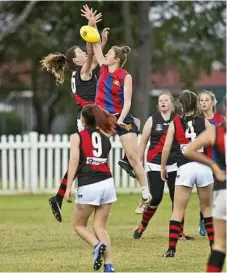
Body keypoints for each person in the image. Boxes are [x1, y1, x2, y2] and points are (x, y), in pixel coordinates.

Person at [91, 39, 151, 211]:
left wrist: (120, 119)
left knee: (133, 157)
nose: (106, 55)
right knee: (97, 154)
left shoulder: (125, 76)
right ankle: (96, 192)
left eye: (109, 53)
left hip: (122, 118)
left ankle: (146, 195)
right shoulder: (103, 67)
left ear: (116, 59)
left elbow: (127, 102)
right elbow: (95, 44)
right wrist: (92, 24)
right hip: (103, 118)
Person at [161, 90, 214, 258]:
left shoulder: (174, 123)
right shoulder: (204, 121)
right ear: (197, 104)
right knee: (207, 208)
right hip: (203, 167)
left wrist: (163, 166)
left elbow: (166, 147)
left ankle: (171, 250)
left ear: (181, 105)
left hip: (185, 167)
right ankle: (215, 247)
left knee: (178, 210)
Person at [133, 93, 193, 240]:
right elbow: (143, 143)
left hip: (174, 163)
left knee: (177, 199)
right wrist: (137, 162)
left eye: (166, 100)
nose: (163, 102)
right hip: (155, 163)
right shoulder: (152, 120)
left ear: (172, 104)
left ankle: (179, 232)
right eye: (160, 101)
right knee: (156, 198)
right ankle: (142, 225)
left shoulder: (178, 119)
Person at [65, 104, 117, 272]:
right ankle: (109, 265)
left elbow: (74, 162)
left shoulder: (77, 137)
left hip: (89, 184)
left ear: (84, 119)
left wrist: (68, 187)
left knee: (79, 226)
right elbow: (105, 161)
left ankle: (97, 244)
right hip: (107, 183)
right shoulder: (106, 136)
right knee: (100, 226)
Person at [184, 116, 226, 272]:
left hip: (222, 191)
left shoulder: (215, 132)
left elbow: (188, 150)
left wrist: (214, 166)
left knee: (220, 245)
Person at [197, 90, 225, 236]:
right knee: (205, 196)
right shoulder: (197, 120)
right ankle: (202, 219)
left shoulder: (221, 119)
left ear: (213, 102)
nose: (203, 103)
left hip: (219, 161)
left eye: (206, 100)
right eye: (201, 100)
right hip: (203, 161)